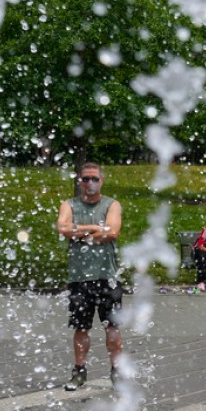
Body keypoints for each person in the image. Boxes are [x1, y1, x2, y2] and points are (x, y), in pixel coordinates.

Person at [56, 162, 124, 391]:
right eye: (86, 179)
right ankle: (79, 371)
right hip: (79, 278)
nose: (90, 183)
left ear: (101, 181)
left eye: (94, 178)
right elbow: (63, 229)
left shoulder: (112, 205)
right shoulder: (69, 204)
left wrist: (79, 232)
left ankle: (117, 372)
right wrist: (95, 227)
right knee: (80, 327)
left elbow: (113, 231)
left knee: (112, 327)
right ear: (80, 182)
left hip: (107, 276)